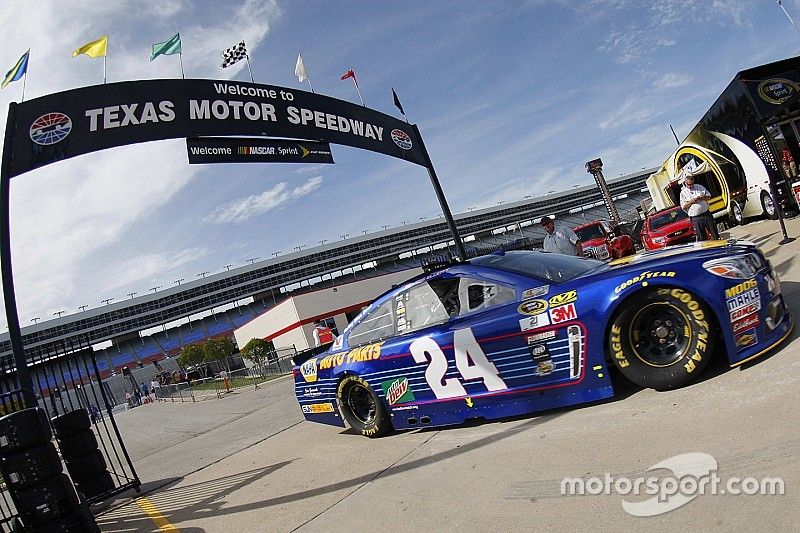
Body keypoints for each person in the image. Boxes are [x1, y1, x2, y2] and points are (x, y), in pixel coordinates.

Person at [680, 175, 719, 241]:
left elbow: (709, 196)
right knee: (701, 236)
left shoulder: (699, 187)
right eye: (689, 184)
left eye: (692, 184)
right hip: (696, 218)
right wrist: (691, 202)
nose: (691, 186)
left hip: (706, 214)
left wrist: (701, 198)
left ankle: (719, 245)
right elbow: (683, 206)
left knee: (714, 232)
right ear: (685, 183)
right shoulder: (683, 193)